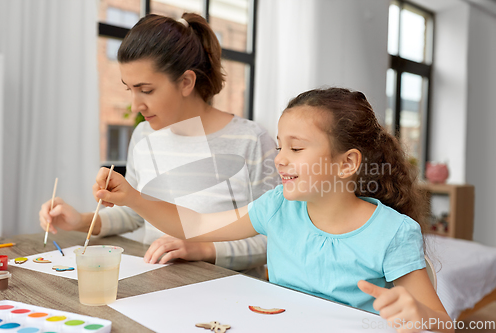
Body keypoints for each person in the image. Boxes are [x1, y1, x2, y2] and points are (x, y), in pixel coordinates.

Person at [92, 87, 454, 333]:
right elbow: (197, 224)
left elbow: (443, 323)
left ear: (347, 164)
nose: (280, 160)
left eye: (296, 149)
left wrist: (419, 316)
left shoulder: (392, 233)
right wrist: (135, 198)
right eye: (281, 147)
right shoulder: (279, 207)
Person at [39, 13, 277, 277]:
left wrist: (202, 249)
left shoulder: (251, 141)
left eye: (146, 90)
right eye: (129, 89)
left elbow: (273, 239)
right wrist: (82, 221)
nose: (135, 105)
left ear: (186, 82)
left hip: (227, 296)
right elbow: (136, 215)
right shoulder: (144, 136)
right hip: (156, 285)